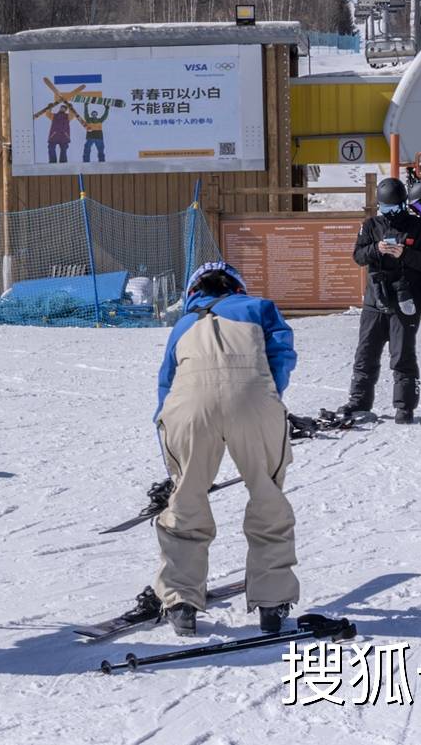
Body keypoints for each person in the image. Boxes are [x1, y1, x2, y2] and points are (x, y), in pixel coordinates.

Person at [149, 262, 300, 636]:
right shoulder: (259, 307)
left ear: (194, 291)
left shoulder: (183, 325)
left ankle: (181, 600)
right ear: (237, 287)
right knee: (267, 496)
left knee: (186, 500)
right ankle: (271, 600)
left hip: (188, 407)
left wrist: (173, 456)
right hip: (252, 399)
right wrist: (267, 400)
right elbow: (281, 354)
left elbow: (166, 383)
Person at [336, 177, 421, 424]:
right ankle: (359, 402)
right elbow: (358, 256)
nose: (389, 213)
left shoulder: (418, 227)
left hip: (405, 300)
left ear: (403, 205)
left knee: (402, 356)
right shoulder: (370, 226)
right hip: (374, 301)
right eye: (384, 209)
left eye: (394, 208)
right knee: (365, 355)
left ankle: (404, 407)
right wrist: (376, 249)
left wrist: (405, 254)